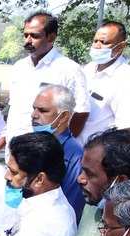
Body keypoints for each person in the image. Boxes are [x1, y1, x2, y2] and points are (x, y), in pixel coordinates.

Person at [6, 12, 90, 145]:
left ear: (51, 37)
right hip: (15, 147)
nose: (28, 40)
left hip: (47, 151)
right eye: (26, 35)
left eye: (34, 36)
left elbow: (81, 112)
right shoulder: (19, 67)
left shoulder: (69, 69)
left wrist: (62, 145)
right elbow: (15, 110)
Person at [77, 21, 130, 144]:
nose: (97, 46)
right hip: (76, 149)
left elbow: (126, 128)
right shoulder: (88, 69)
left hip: (98, 157)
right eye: (95, 41)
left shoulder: (127, 79)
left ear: (120, 46)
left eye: (104, 42)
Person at [31, 85, 85, 222]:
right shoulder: (32, 145)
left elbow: (69, 209)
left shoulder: (74, 156)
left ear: (63, 117)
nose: (34, 115)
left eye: (43, 110)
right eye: (34, 108)